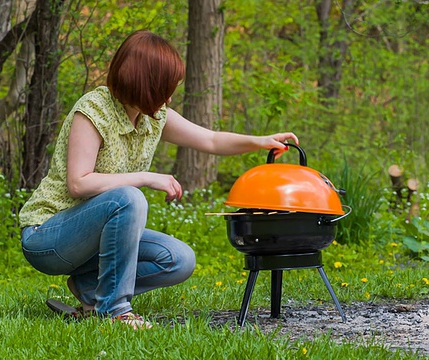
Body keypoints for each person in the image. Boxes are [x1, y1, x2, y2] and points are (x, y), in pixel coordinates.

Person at [18, 29, 298, 329]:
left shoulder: (155, 115)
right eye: (165, 86)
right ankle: (115, 311)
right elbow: (79, 183)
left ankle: (89, 288)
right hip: (48, 237)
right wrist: (146, 178)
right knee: (128, 198)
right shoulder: (93, 110)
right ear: (144, 83)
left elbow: (212, 140)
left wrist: (261, 141)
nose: (169, 95)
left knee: (178, 259)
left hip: (91, 243)